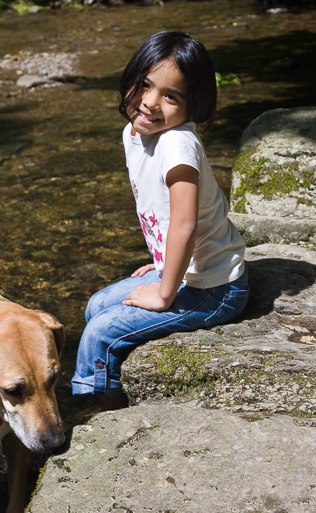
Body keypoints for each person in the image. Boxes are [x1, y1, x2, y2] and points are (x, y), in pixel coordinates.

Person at [71, 30, 249, 411]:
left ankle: (111, 415)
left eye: (171, 96)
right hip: (182, 268)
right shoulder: (133, 133)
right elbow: (165, 215)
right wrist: (163, 260)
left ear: (193, 104)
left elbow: (186, 225)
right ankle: (114, 387)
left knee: (99, 333)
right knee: (96, 306)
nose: (150, 103)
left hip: (215, 288)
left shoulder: (176, 144)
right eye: (145, 85)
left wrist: (165, 292)